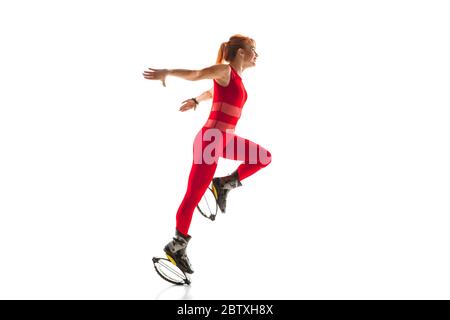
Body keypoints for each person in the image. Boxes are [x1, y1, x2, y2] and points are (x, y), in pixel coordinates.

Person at [143, 34, 272, 275]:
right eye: (253, 50)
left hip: (225, 140)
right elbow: (196, 74)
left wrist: (196, 100)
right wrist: (167, 72)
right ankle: (176, 246)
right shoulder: (224, 70)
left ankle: (224, 184)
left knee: (263, 157)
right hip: (210, 141)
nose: (257, 55)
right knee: (193, 196)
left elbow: (212, 92)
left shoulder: (235, 79)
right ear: (241, 53)